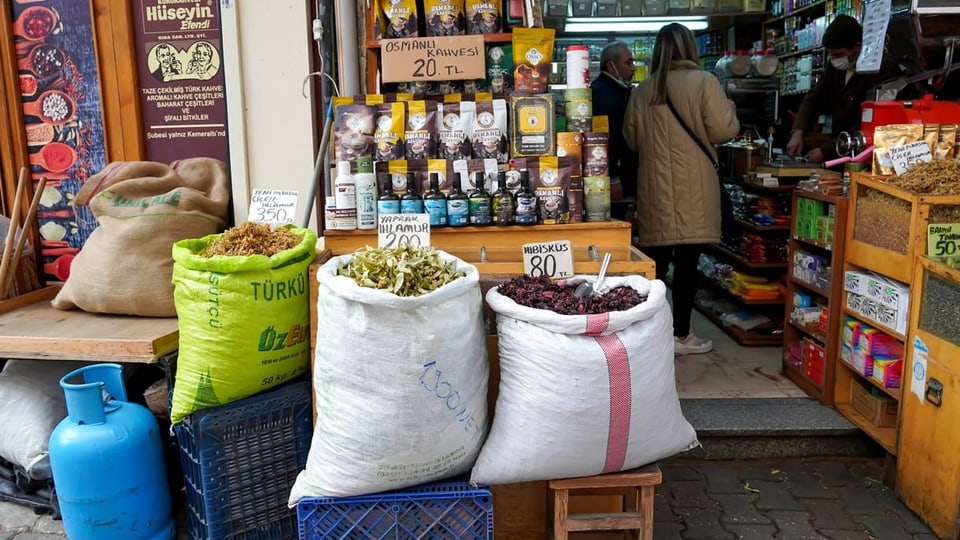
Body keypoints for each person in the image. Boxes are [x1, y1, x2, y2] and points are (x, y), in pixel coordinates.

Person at [623, 23, 739, 356]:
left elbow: (632, 140)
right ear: (690, 47)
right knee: (688, 263)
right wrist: (729, 112)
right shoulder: (704, 82)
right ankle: (682, 335)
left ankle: (650, 335)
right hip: (696, 189)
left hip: (655, 188)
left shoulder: (642, 90)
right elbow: (723, 130)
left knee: (656, 265)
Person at [786, 14, 903, 163]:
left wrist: (826, 150)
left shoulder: (882, 70)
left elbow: (870, 121)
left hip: (867, 153)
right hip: (838, 151)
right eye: (831, 54)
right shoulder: (835, 68)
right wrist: (797, 132)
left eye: (839, 54)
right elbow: (814, 98)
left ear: (858, 46)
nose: (834, 59)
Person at [592, 41, 639, 215]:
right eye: (628, 62)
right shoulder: (603, 93)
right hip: (613, 178)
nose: (633, 68)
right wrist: (612, 178)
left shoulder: (617, 90)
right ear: (611, 66)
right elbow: (602, 139)